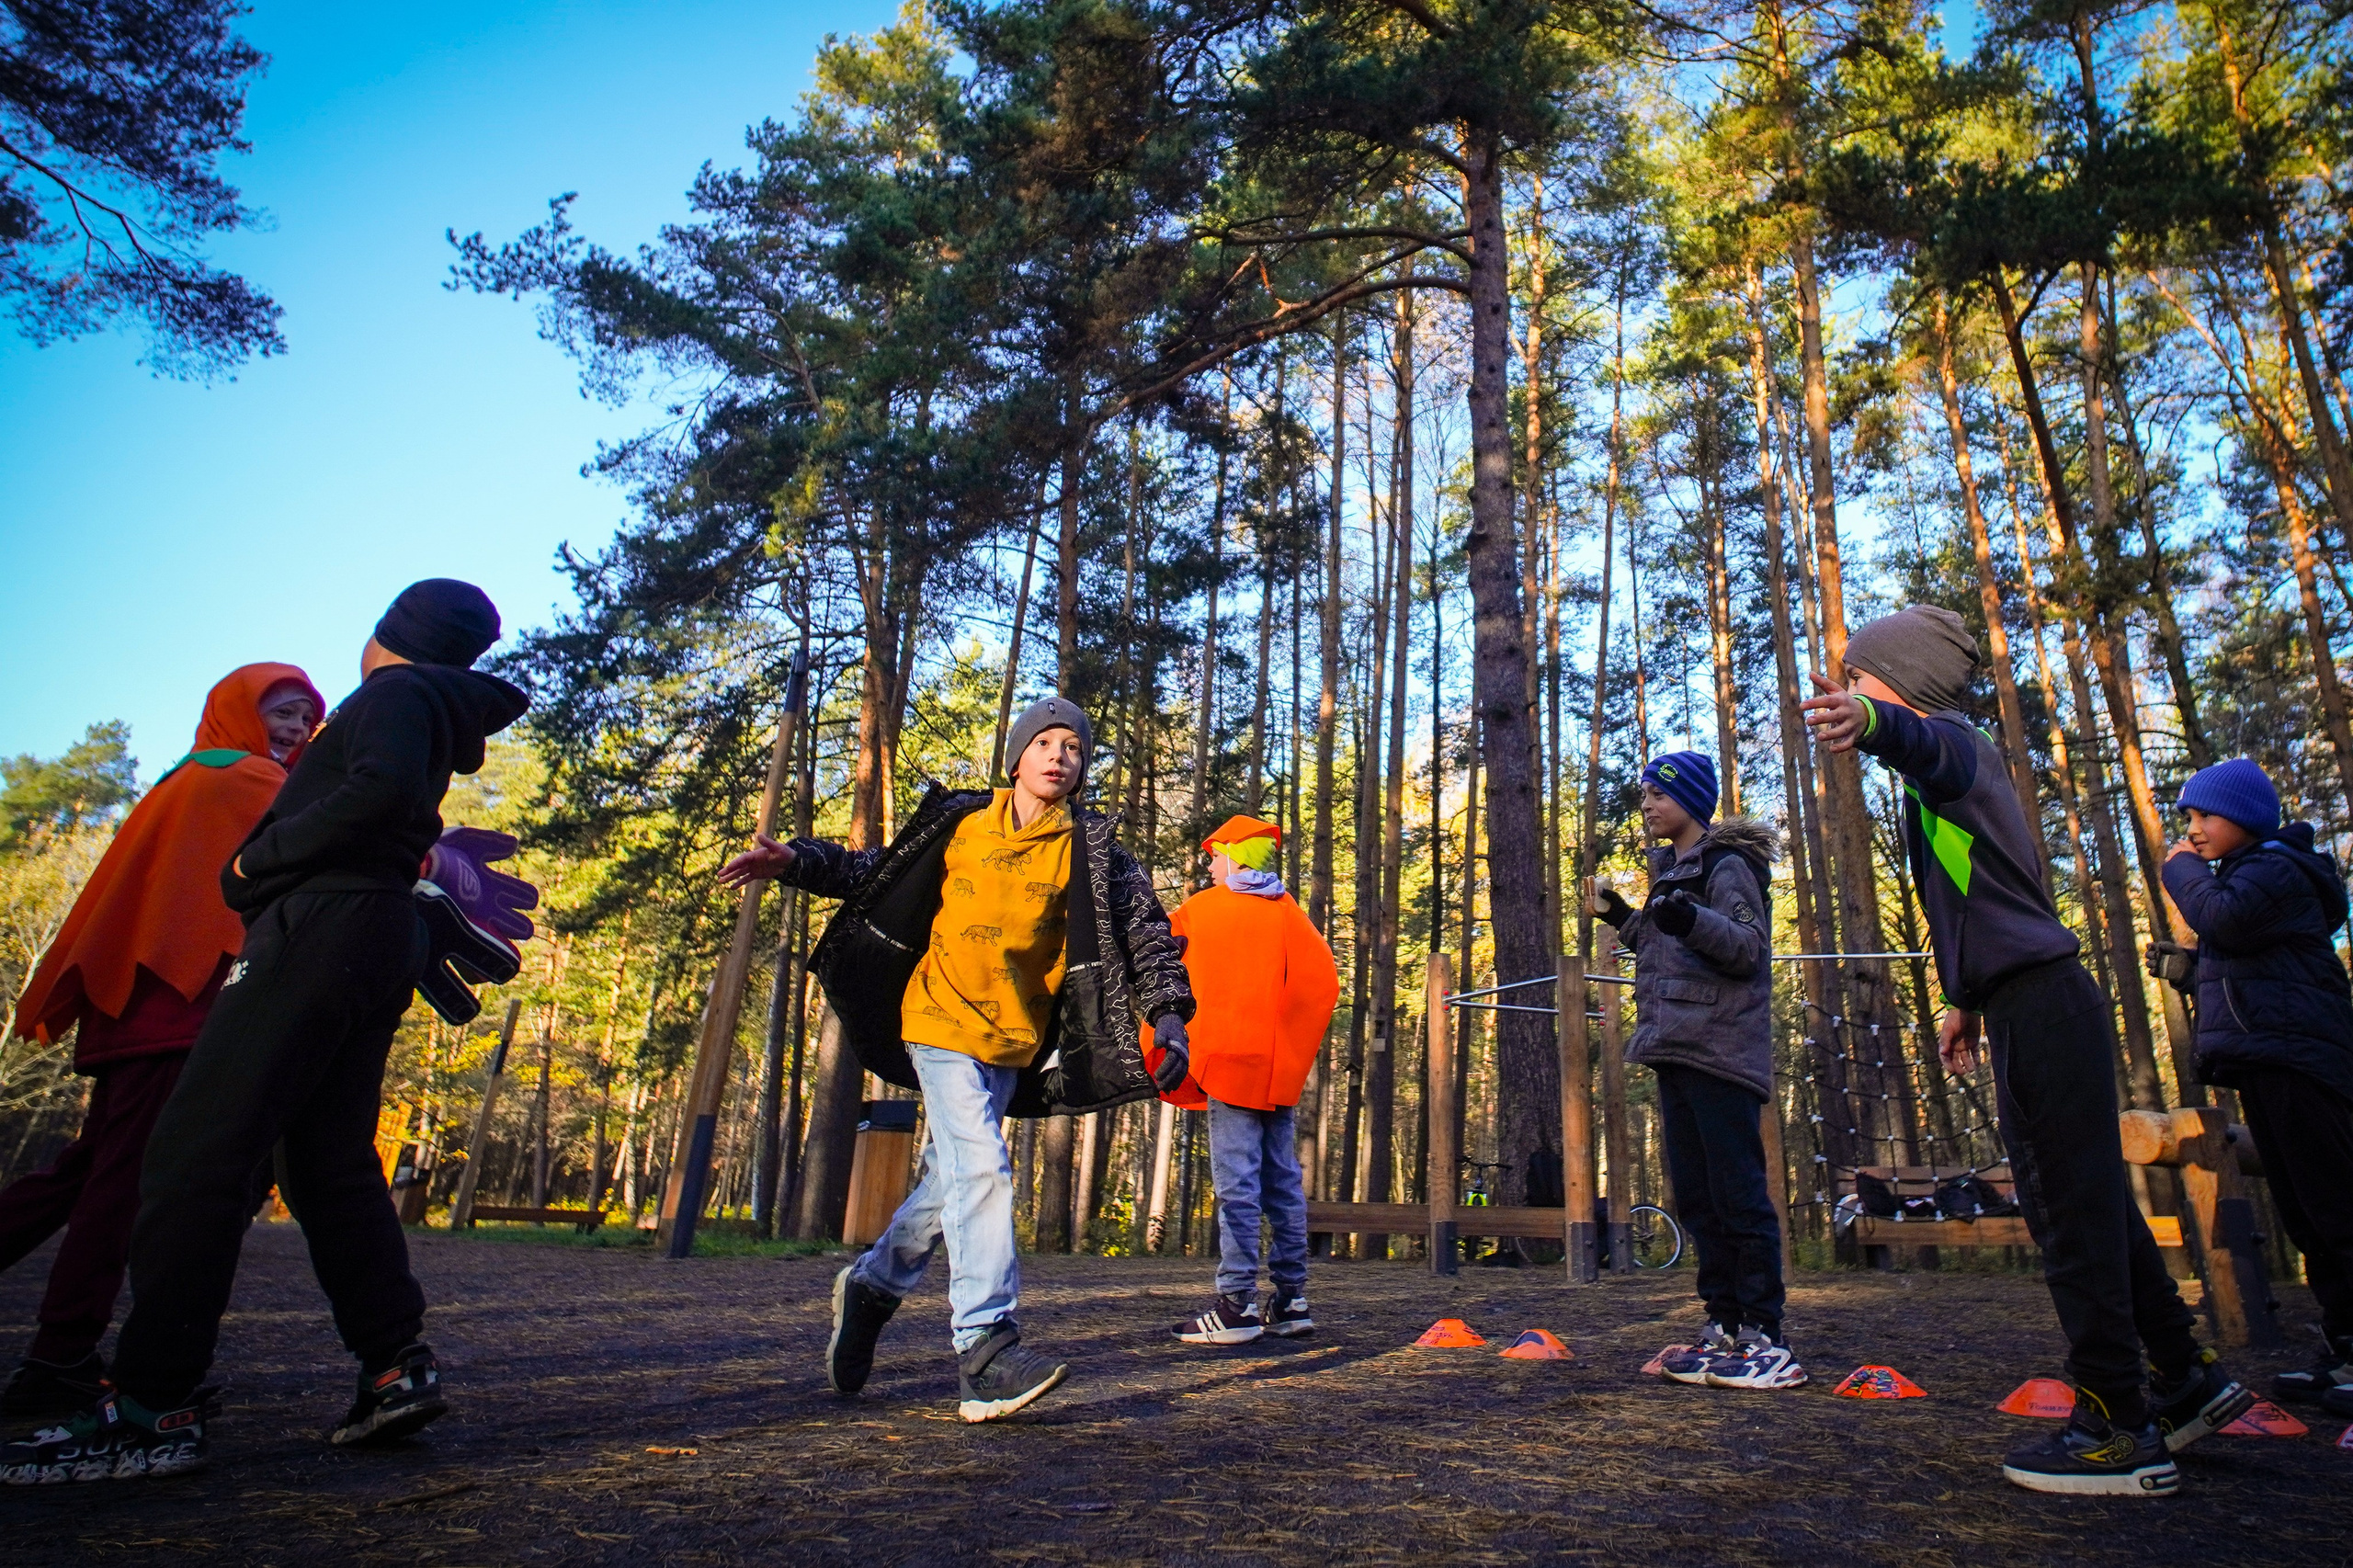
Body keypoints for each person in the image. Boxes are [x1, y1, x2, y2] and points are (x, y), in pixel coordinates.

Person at [1, 580, 528, 1486]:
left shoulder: (395, 692)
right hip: (366, 930)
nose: (299, 723)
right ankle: (394, 1364)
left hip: (312, 926)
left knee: (193, 1156)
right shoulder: (434, 705)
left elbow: (384, 792)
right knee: (326, 1161)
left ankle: (149, 1405)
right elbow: (394, 808)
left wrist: (254, 859)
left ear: (388, 635)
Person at [1802, 604, 2254, 1497]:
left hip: (2046, 1006)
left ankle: (2116, 1425)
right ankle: (2186, 1374)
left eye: (1856, 675)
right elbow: (1985, 899)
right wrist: (1964, 999)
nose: (1845, 688)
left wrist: (1876, 723)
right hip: (2028, 1001)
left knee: (2062, 1209)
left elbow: (1921, 746)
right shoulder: (1949, 784)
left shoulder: (1951, 748)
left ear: (1900, 684)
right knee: (2088, 1202)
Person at [720, 696, 1193, 1423]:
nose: (1060, 756)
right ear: (1017, 755)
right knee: (980, 1168)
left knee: (950, 1181)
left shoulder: (1094, 851)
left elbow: (1147, 936)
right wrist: (796, 860)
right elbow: (874, 872)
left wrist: (1168, 1018)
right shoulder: (961, 822)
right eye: (1047, 743)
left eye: (1074, 747)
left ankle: (873, 1285)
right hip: (935, 1017)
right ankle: (984, 1347)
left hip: (1011, 1039)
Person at [0, 665, 323, 1418]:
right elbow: (324, 838)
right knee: (122, 1188)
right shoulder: (241, 780)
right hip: (174, 1011)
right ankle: (58, 1358)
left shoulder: (190, 777)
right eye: (281, 712)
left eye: (307, 717)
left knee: (88, 1175)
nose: (297, 728)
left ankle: (61, 1353)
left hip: (143, 1009)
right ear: (237, 713)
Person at [1589, 752, 1799, 1390]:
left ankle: (1767, 1335)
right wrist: (1623, 916)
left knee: (1738, 1195)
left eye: (1658, 793)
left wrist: (1690, 916)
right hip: (1674, 1046)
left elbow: (1747, 950)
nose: (1647, 804)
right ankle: (1722, 1325)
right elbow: (1664, 949)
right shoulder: (1670, 871)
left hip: (1722, 1051)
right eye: (1643, 794)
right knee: (1699, 1198)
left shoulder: (1727, 865)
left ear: (1692, 800)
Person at [2156, 756, 2353, 1416]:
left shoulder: (2274, 868)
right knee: (2305, 1210)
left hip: (2302, 1062)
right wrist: (2192, 973)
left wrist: (2178, 868)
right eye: (2188, 818)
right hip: (2274, 1060)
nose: (2194, 830)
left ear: (2244, 817)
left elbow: (2225, 922)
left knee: (2333, 1205)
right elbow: (2247, 962)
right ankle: (2344, 1350)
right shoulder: (2253, 875)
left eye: (2204, 816)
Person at [1150, 815, 1337, 1346]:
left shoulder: (1203, 910)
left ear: (1235, 857)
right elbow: (1324, 980)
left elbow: (1154, 954)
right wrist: (1290, 1044)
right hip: (1276, 1073)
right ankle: (1291, 1300)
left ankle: (1236, 1307)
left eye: (1215, 855)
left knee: (1237, 1186)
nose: (1209, 865)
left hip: (1229, 1066)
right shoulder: (1290, 914)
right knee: (1281, 1184)